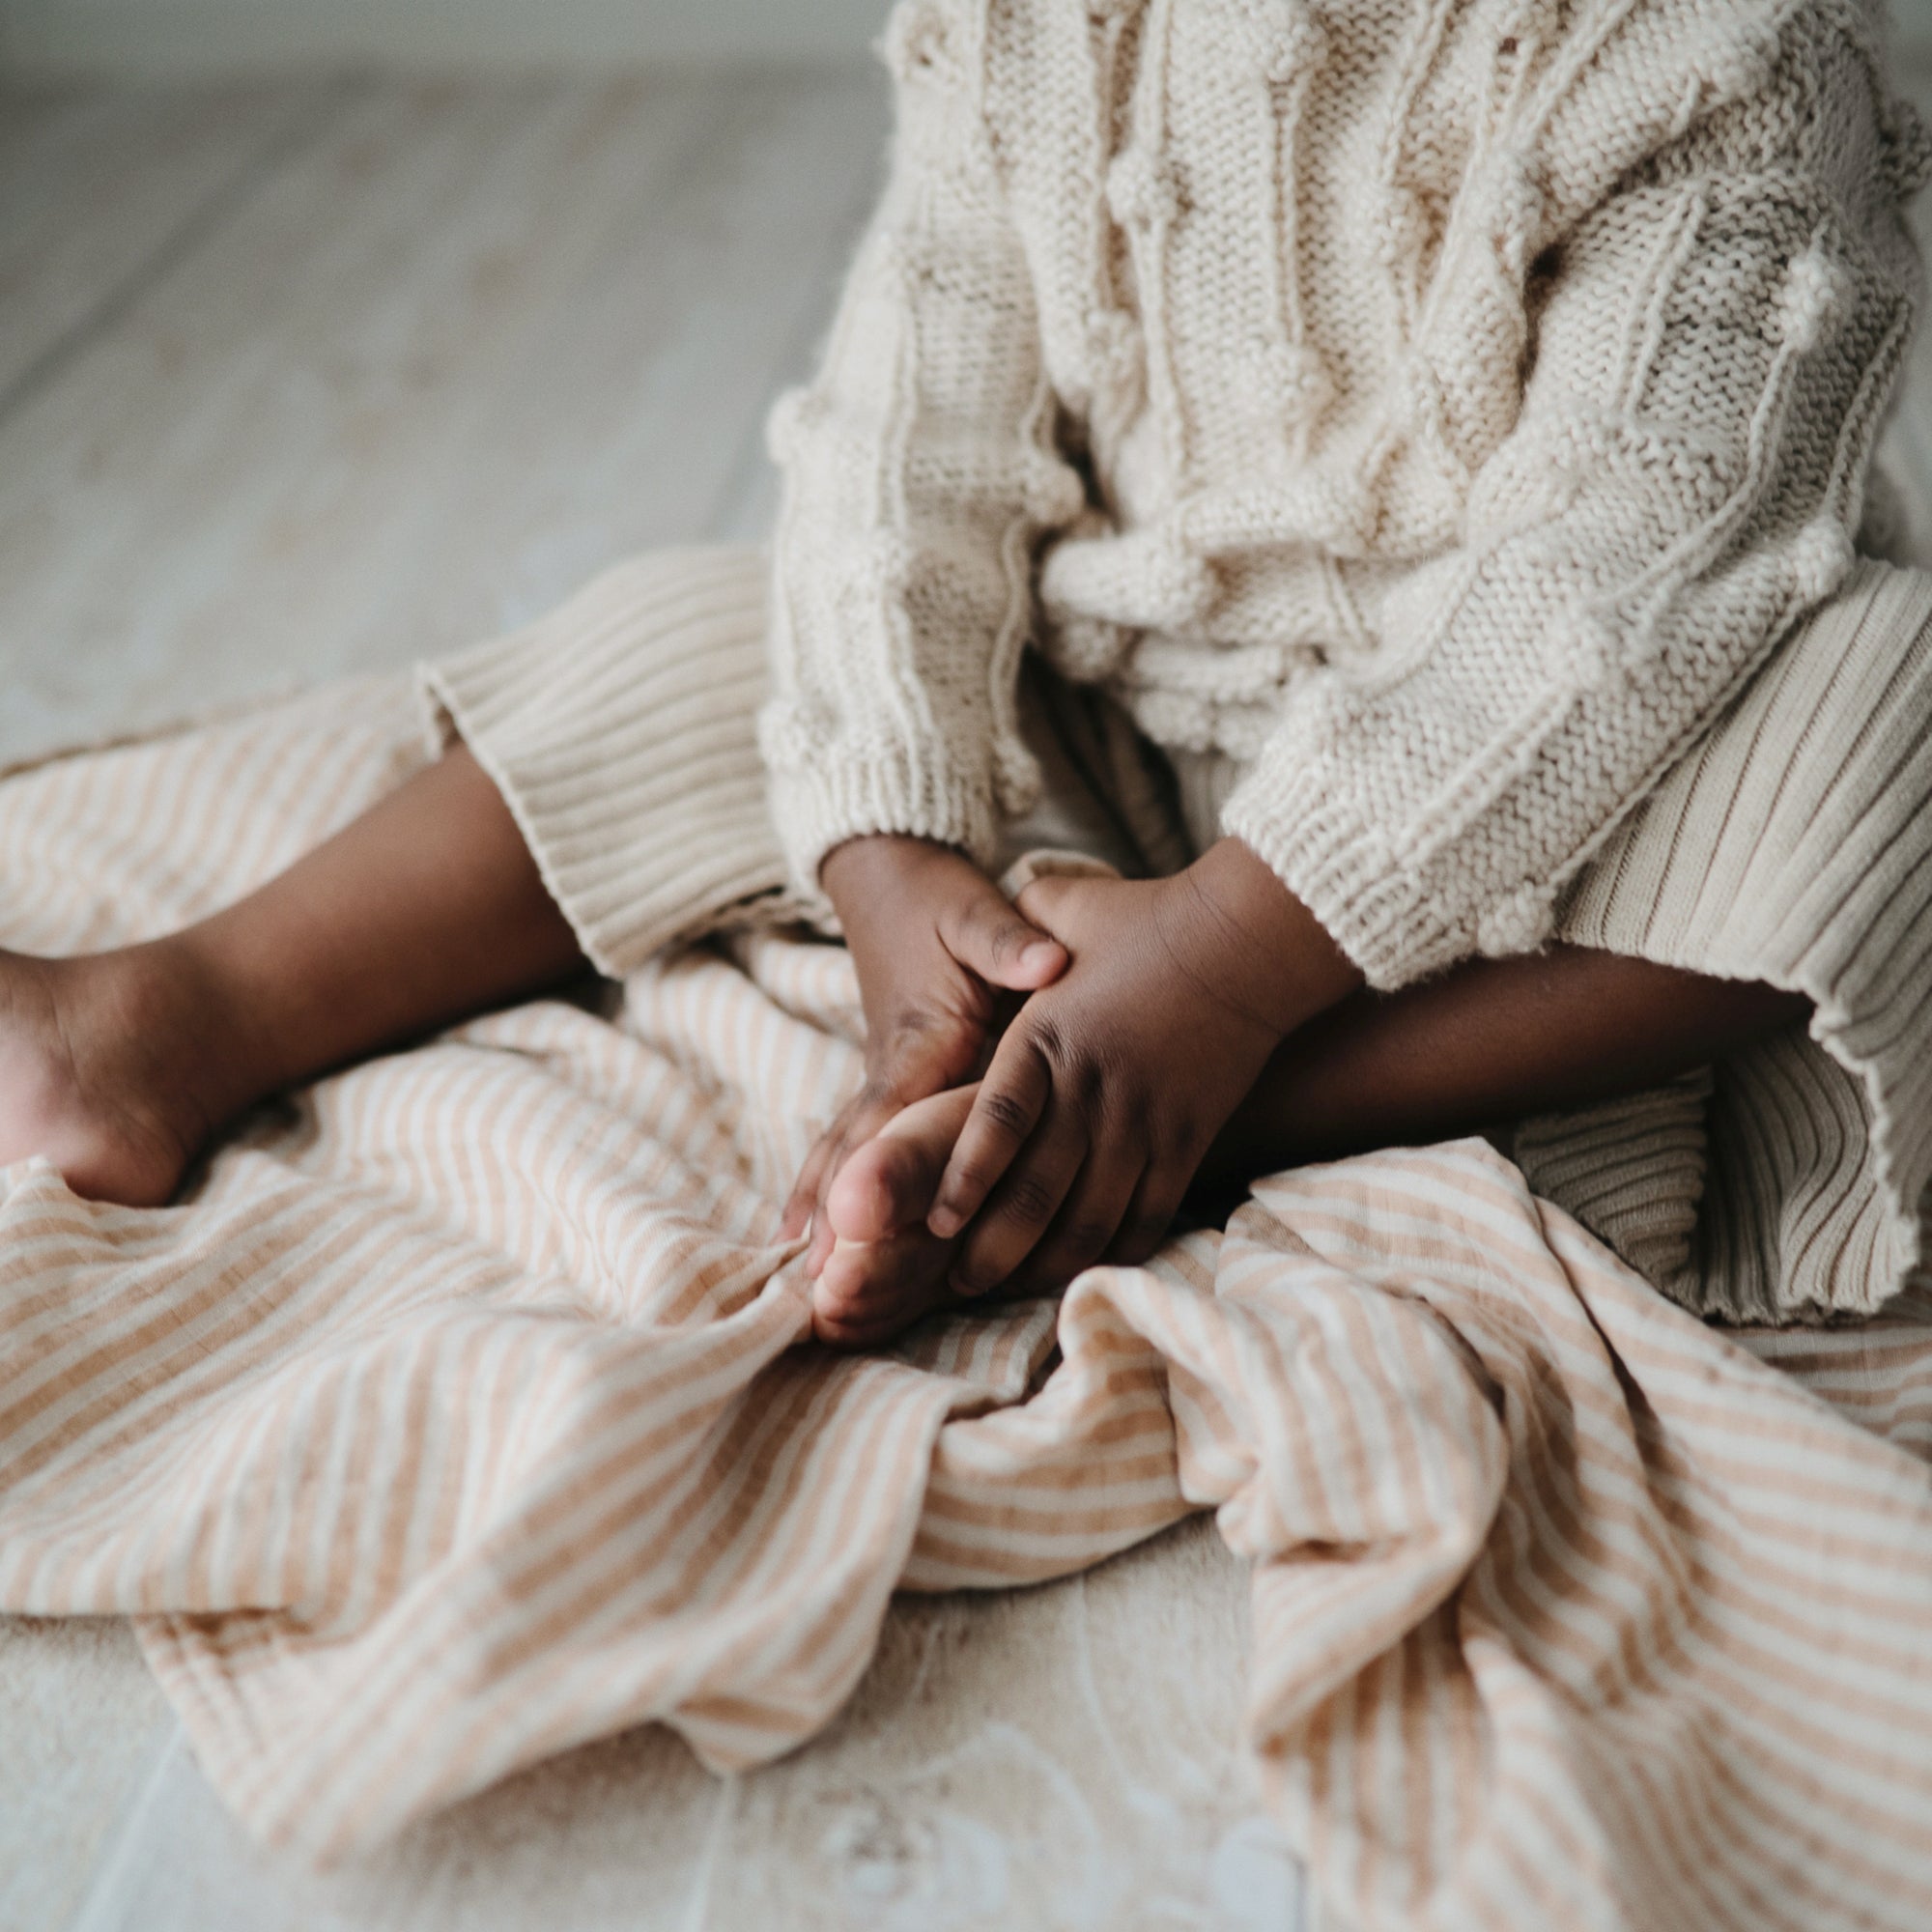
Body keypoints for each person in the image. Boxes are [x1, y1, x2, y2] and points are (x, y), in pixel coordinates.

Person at [4, 0, 1929, 1349]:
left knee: (1884, 730)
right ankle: (169, 1019)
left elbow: (1624, 584)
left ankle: (1161, 1111)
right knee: (731, 618)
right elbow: (904, 440)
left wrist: (1237, 958)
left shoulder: (1740, 56)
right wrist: (889, 858)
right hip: (1122, 719)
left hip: (1544, 799)